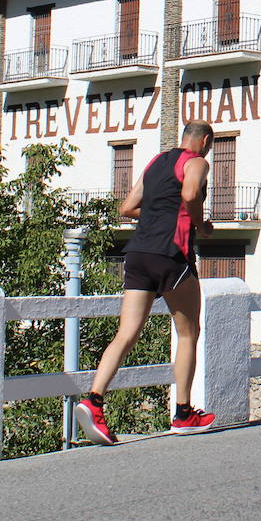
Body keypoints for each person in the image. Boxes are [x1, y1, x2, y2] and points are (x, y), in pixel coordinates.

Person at [74, 121, 217, 445]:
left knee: (126, 333)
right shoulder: (197, 162)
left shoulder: (155, 163)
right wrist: (200, 224)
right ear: (204, 141)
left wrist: (157, 215)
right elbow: (191, 193)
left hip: (138, 253)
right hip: (170, 253)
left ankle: (94, 401)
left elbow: (127, 207)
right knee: (188, 332)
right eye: (209, 145)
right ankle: (183, 413)